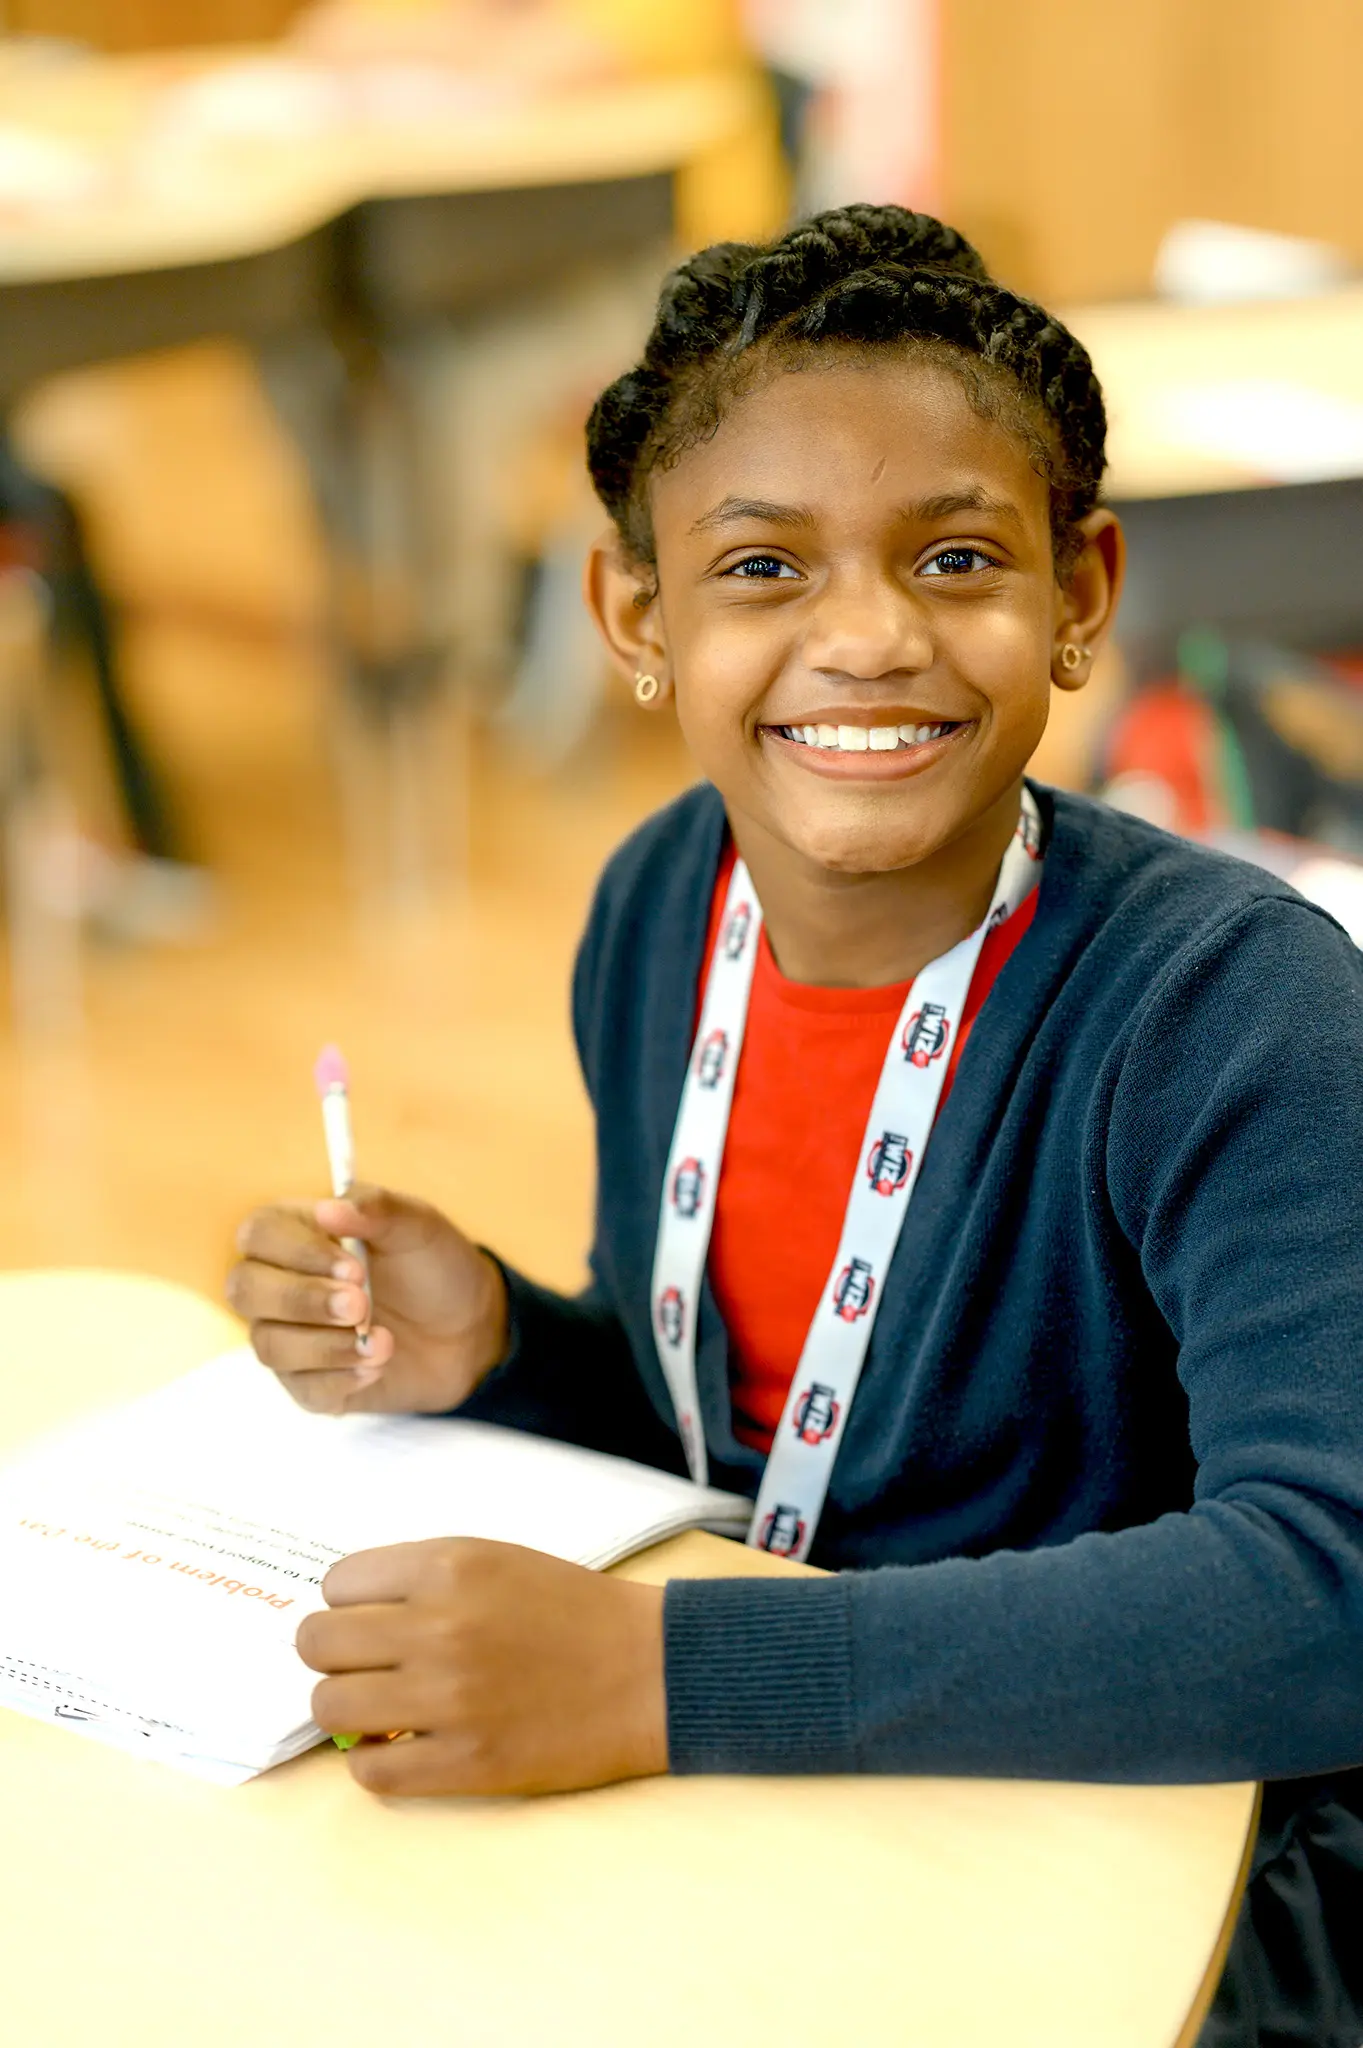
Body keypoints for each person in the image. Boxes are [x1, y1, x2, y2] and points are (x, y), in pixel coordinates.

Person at [228, 207, 1363, 2045]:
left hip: (1167, 1872)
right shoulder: (659, 907)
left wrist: (663, 1674)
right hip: (792, 1798)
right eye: (759, 566)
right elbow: (750, 1437)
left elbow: (1329, 1593)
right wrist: (514, 1348)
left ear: (1077, 600)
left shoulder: (1233, 1009)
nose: (866, 638)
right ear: (636, 617)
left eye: (957, 558)